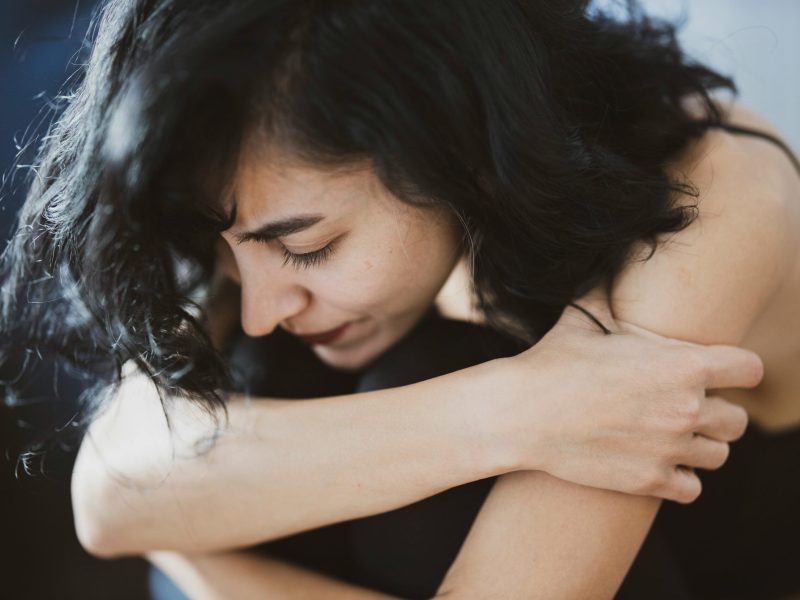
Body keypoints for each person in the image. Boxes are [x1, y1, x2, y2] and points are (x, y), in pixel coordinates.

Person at [1, 0, 797, 597]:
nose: (258, 304)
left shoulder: (717, 195)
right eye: (221, 254)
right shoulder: (248, 179)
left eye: (310, 247)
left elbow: (138, 506)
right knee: (260, 375)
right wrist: (518, 411)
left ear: (456, 143)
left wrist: (202, 551)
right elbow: (109, 489)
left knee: (387, 391)